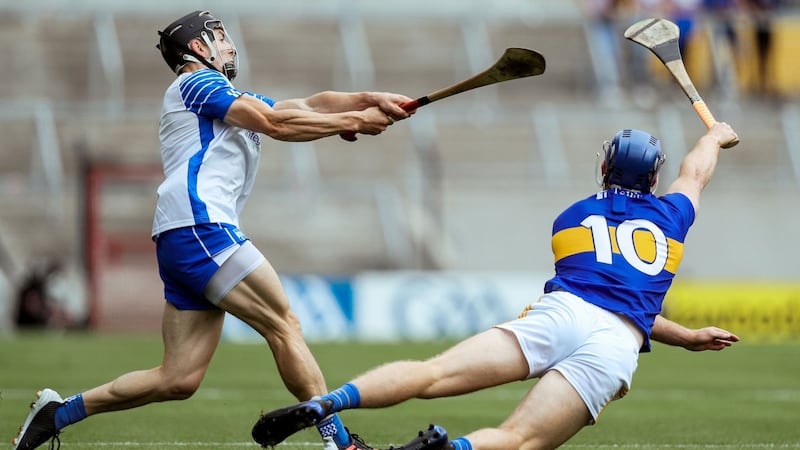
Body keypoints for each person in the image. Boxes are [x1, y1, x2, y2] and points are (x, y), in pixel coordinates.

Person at [11, 10, 413, 450]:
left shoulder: (221, 92)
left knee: (178, 378)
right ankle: (339, 443)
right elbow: (277, 125)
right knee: (284, 323)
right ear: (197, 49)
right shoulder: (195, 83)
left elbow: (305, 106)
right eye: (219, 36)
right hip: (200, 225)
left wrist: (369, 99)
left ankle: (58, 412)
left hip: (183, 234)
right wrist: (353, 123)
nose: (230, 45)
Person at [250, 123, 741, 450]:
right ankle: (451, 447)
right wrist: (715, 136)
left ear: (605, 168)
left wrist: (685, 335)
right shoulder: (673, 215)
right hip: (615, 345)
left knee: (433, 373)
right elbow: (694, 172)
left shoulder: (572, 217)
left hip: (563, 315)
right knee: (521, 439)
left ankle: (329, 402)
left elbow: (602, 291)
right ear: (654, 177)